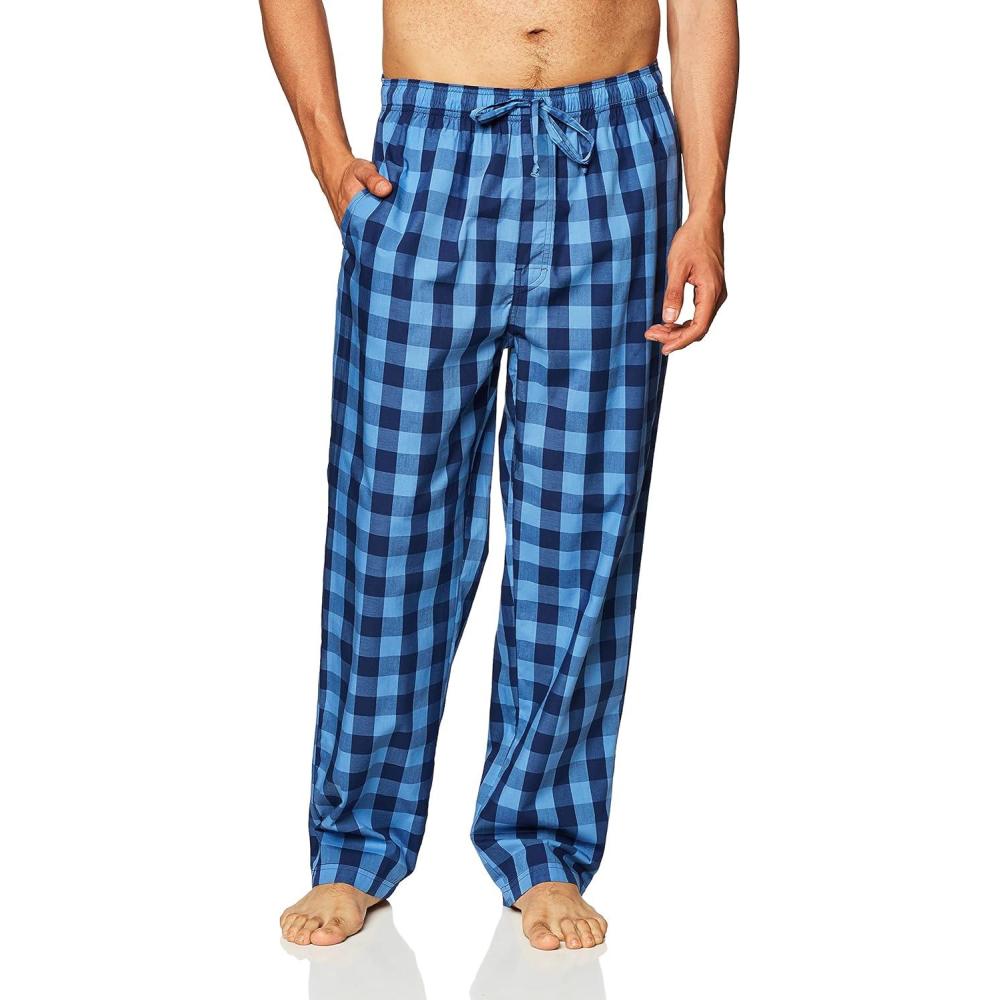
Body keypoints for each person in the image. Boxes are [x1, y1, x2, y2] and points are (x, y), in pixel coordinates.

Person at [261, 0, 738, 951]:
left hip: (616, 146)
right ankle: (356, 845)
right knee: (389, 521)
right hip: (432, 152)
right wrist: (327, 157)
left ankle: (543, 844)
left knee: (581, 525)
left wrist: (708, 206)